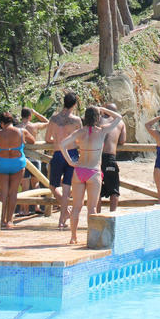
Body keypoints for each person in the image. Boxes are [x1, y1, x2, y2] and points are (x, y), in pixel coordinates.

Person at [60, 106, 124, 245]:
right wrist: (103, 109)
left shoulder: (80, 132)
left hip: (79, 171)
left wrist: (70, 161)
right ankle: (91, 237)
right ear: (97, 117)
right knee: (92, 208)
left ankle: (73, 237)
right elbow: (119, 117)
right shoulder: (102, 131)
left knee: (76, 207)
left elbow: (62, 144)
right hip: (93, 172)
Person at [45, 92, 82, 229]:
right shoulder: (76, 120)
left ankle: (64, 214)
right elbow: (81, 138)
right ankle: (63, 218)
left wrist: (57, 140)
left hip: (58, 153)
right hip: (72, 153)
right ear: (74, 104)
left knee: (53, 186)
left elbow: (48, 138)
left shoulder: (54, 119)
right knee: (67, 189)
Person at [0, 112, 35, 229]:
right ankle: (10, 220)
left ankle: (1, 219)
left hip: (2, 162)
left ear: (1, 123)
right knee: (13, 192)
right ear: (12, 121)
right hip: (17, 162)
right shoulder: (21, 131)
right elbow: (32, 140)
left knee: (3, 193)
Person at [97, 103, 126, 214]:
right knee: (114, 190)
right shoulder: (120, 122)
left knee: (97, 190)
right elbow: (122, 141)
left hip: (98, 157)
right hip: (110, 158)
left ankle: (97, 215)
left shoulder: (98, 120)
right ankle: (112, 215)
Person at [19, 107, 49, 214]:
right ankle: (37, 206)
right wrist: (36, 113)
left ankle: (24, 209)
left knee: (25, 184)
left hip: (23, 157)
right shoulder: (34, 126)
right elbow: (47, 122)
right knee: (36, 183)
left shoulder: (17, 127)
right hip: (35, 157)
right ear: (30, 116)